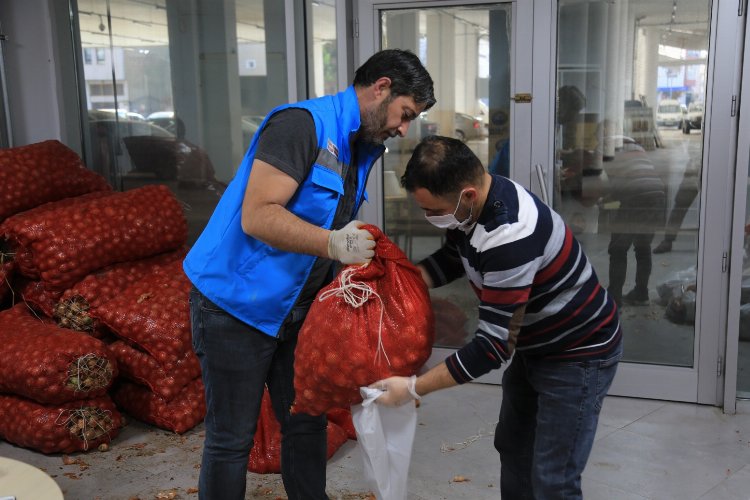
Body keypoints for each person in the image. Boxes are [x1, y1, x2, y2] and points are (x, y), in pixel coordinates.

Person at [183, 49, 435, 500]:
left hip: (296, 309)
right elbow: (258, 216)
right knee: (231, 440)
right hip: (234, 304)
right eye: (405, 113)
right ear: (381, 87)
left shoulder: (363, 146)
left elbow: (326, 219)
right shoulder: (302, 125)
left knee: (305, 423)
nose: (403, 128)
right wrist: (334, 243)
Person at [372, 136, 622, 500]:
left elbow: (491, 348)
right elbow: (454, 258)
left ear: (467, 194)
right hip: (536, 345)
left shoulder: (510, 237)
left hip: (578, 353)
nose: (431, 219)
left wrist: (411, 388)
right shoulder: (480, 203)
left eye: (435, 210)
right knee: (514, 446)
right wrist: (403, 285)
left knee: (554, 478)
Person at [600, 139, 666, 306]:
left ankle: (614, 296)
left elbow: (616, 191)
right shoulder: (637, 148)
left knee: (618, 250)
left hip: (636, 195)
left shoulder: (608, 154)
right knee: (643, 248)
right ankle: (641, 293)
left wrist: (603, 205)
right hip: (657, 194)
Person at [652, 157, 701, 254]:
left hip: (702, 164)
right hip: (695, 165)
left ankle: (668, 241)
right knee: (679, 206)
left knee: (679, 208)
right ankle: (668, 241)